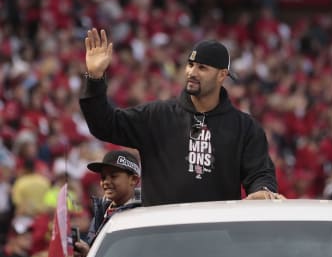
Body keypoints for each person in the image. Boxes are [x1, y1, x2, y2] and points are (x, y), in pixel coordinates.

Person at [79, 28, 280, 206]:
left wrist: (262, 190)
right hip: (161, 236)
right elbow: (104, 125)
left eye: (202, 68)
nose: (192, 72)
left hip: (216, 237)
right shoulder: (156, 116)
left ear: (222, 75)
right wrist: (95, 78)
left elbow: (260, 174)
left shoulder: (244, 127)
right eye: (190, 64)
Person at [73, 150, 142, 257]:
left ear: (133, 180)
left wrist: (91, 256)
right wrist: (86, 253)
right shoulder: (102, 209)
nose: (106, 182)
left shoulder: (141, 212)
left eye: (113, 176)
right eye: (103, 177)